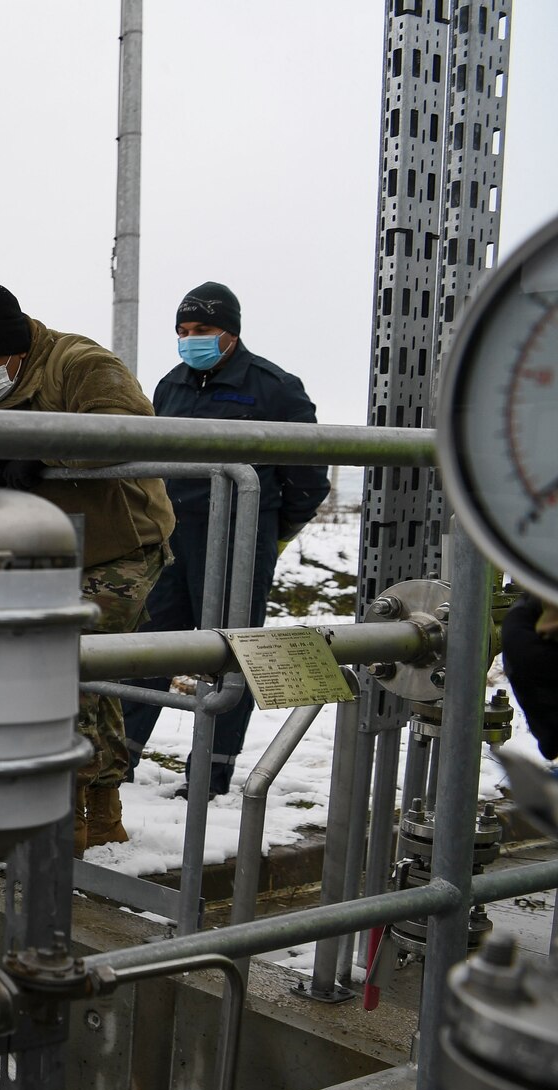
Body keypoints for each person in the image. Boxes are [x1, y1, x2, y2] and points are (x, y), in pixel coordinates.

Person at [0, 284, 174, 854]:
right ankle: (103, 812)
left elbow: (126, 426)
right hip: (40, 548)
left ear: (16, 351)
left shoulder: (81, 363)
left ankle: (63, 821)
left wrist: (42, 451)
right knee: (83, 674)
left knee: (62, 663)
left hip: (119, 546)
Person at [121, 283, 328, 799]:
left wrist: (267, 530)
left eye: (203, 331)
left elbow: (308, 476)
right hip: (173, 538)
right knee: (150, 648)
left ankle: (209, 775)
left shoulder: (274, 388)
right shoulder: (170, 386)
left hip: (239, 538)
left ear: (230, 333)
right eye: (183, 332)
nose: (191, 340)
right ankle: (116, 763)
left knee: (230, 655)